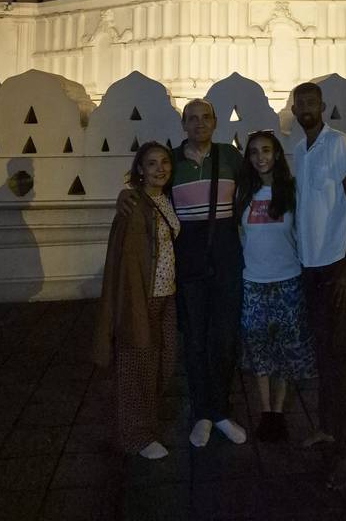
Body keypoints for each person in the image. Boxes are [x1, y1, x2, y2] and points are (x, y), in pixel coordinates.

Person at [116, 98, 246, 449]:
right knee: (194, 340)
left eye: (206, 118)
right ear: (183, 125)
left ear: (215, 122)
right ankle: (202, 412)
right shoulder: (170, 161)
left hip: (226, 259)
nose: (199, 124)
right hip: (188, 264)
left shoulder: (231, 157)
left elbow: (257, 191)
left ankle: (220, 410)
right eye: (192, 119)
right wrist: (123, 196)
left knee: (223, 338)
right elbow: (146, 190)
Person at [291, 81, 346, 490]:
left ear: (323, 106)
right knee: (323, 353)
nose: (306, 108)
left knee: (340, 359)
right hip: (310, 267)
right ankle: (327, 429)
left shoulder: (339, 144)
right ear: (293, 108)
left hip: (335, 265)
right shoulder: (300, 150)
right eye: (299, 102)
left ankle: (345, 454)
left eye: (311, 102)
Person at [93, 141, 180, 460]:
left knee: (162, 363)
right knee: (136, 366)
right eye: (152, 163)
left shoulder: (165, 200)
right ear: (139, 170)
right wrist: (134, 306)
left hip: (166, 294)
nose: (160, 169)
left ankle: (146, 424)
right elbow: (127, 263)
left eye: (165, 163)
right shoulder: (133, 205)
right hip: (141, 298)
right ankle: (135, 435)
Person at [236, 130, 316, 442]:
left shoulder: (291, 192)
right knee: (259, 350)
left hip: (287, 281)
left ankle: (278, 411)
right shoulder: (244, 194)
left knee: (284, 349)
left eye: (266, 150)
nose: (261, 158)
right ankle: (265, 410)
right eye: (254, 152)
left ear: (278, 154)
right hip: (253, 283)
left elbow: (303, 232)